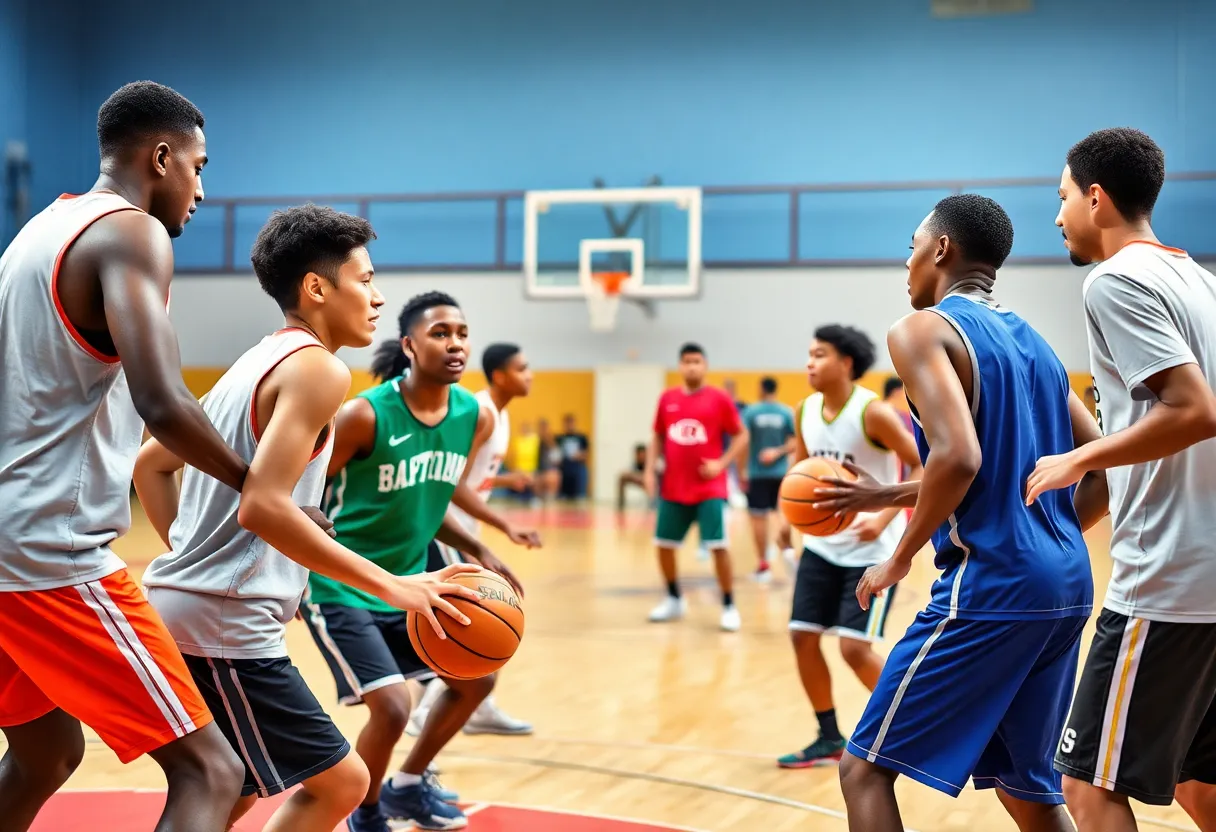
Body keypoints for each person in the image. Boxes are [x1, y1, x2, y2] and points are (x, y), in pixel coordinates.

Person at [134, 206, 482, 832]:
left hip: (201, 612)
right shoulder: (321, 369)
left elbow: (152, 466)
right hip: (223, 628)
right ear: (317, 288)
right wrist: (394, 585)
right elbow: (262, 504)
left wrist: (196, 558)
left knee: (227, 793)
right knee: (340, 783)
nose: (378, 298)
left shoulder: (255, 362)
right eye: (366, 280)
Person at [0, 81, 258, 832]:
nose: (202, 191)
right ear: (162, 155)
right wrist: (260, 486)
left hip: (5, 543)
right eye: (199, 168)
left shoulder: (40, 232)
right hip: (51, 551)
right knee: (211, 769)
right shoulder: (130, 233)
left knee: (45, 753)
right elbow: (166, 403)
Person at [814, 194, 1108, 832]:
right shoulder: (1036, 343)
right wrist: (1040, 535)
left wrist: (898, 556)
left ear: (940, 248)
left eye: (912, 248)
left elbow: (959, 457)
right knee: (1028, 790)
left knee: (863, 769)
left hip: (991, 587)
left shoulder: (920, 328)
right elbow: (1099, 468)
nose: (908, 265)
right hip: (1065, 584)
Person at [1027, 128, 1216, 832]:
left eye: (1064, 196)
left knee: (1086, 784)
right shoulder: (1200, 280)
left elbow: (1195, 410)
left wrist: (1082, 457)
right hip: (1207, 575)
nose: (1058, 215)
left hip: (1167, 579)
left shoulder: (1114, 279)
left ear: (1096, 198)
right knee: (1199, 783)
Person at [302, 292, 529, 832]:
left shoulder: (472, 414)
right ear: (408, 345)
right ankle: (368, 810)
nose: (455, 344)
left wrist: (480, 548)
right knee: (394, 707)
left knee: (478, 681)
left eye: (461, 333)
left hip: (414, 582)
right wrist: (285, 569)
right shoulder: (363, 415)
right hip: (343, 586)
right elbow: (297, 495)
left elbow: (432, 494)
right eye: (439, 333)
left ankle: (406, 786)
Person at [775, 325, 921, 770]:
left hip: (871, 552)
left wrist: (880, 517)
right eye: (808, 354)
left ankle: (914, 728)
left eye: (819, 354)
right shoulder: (805, 410)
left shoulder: (872, 413)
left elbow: (918, 462)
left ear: (846, 363)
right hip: (822, 545)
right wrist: (788, 517)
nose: (809, 363)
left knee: (854, 650)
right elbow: (803, 468)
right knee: (802, 636)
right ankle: (827, 735)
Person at [407, 343, 539, 738]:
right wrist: (504, 526)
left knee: (479, 624)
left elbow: (472, 478)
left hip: (465, 530)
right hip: (445, 529)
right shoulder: (480, 414)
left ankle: (478, 706)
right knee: (464, 623)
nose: (530, 374)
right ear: (500, 375)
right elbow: (449, 485)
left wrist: (504, 483)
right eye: (523, 367)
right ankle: (425, 712)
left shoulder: (501, 414)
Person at [644, 343, 750, 631]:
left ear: (705, 366)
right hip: (674, 487)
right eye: (687, 361)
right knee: (663, 546)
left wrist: (722, 463)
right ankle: (674, 598)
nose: (692, 366)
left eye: (697, 361)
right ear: (680, 365)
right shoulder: (667, 399)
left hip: (709, 488)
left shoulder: (719, 398)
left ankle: (728, 604)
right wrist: (649, 471)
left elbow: (742, 435)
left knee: (718, 547)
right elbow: (656, 437)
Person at [739, 377, 796, 582]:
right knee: (781, 514)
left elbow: (742, 441)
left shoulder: (751, 412)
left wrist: (741, 470)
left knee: (758, 517)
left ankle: (763, 564)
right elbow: (795, 442)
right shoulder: (786, 412)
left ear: (761, 389)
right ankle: (790, 554)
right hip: (781, 473)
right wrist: (778, 452)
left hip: (757, 473)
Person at [556, 414, 590, 499]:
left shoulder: (582, 437)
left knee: (582, 470)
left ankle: (580, 496)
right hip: (564, 466)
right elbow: (555, 453)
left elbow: (585, 455)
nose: (569, 426)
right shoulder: (559, 438)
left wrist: (578, 455)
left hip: (577, 465)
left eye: (571, 423)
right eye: (567, 423)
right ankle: (562, 495)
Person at [618, 443, 653, 511]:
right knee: (622, 477)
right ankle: (621, 505)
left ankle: (653, 504)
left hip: (650, 483)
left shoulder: (650, 463)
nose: (641, 457)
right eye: (638, 454)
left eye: (643, 454)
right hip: (639, 480)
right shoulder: (634, 464)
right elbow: (626, 473)